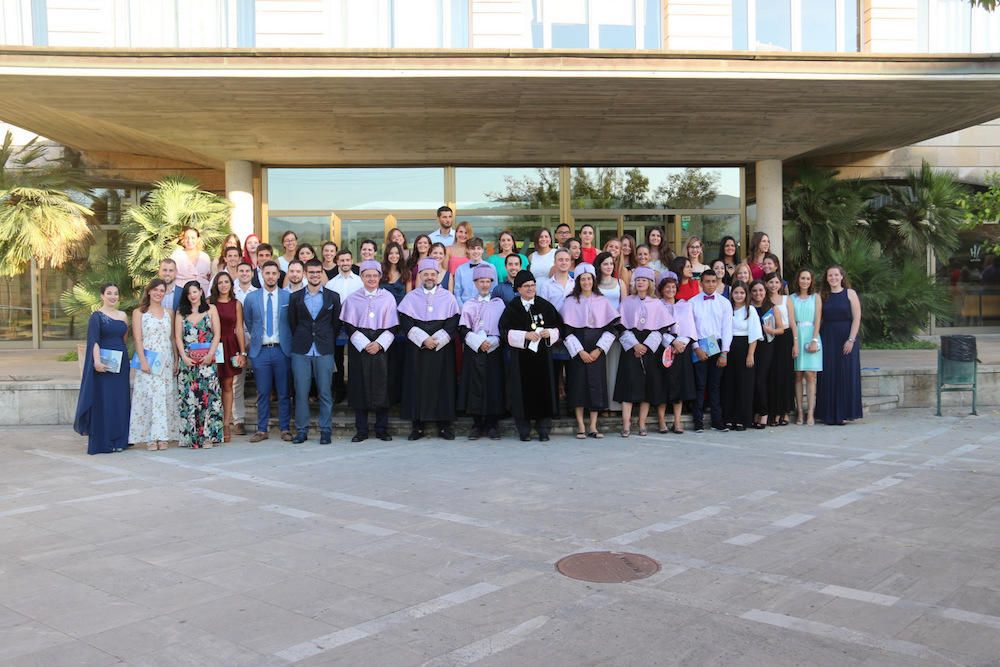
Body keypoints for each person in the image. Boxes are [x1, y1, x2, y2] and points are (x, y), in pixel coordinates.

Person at [397, 259, 461, 440]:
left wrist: (438, 339)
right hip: (418, 349)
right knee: (416, 385)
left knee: (443, 385)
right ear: (420, 276)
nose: (429, 277)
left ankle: (444, 426)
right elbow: (406, 322)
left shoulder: (448, 297)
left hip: (441, 349)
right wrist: (424, 339)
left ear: (437, 275)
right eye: (425, 274)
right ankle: (417, 426)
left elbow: (452, 323)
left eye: (433, 274)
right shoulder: (411, 297)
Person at [500, 270, 563, 442]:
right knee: (521, 392)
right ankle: (524, 429)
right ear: (518, 289)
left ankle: (543, 428)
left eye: (533, 285)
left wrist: (548, 333)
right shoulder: (512, 308)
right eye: (526, 286)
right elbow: (504, 331)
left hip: (543, 357)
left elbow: (559, 327)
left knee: (545, 390)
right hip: (521, 358)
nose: (530, 289)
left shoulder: (545, 305)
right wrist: (525, 336)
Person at [341, 260, 398, 442]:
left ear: (380, 277)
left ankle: (382, 428)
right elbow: (349, 325)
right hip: (360, 348)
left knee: (382, 386)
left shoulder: (388, 297)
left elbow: (393, 326)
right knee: (359, 387)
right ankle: (362, 430)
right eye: (367, 275)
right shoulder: (352, 298)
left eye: (375, 275)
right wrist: (365, 343)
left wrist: (379, 344)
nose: (371, 279)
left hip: (381, 348)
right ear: (362, 277)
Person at [561, 264, 619, 439]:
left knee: (596, 385)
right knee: (578, 385)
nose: (586, 282)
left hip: (596, 348)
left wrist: (599, 350)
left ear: (593, 280)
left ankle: (593, 426)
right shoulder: (570, 301)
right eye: (582, 279)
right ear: (578, 281)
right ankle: (580, 425)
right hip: (578, 348)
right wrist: (580, 351)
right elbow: (566, 331)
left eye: (589, 279)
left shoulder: (602, 300)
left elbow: (612, 328)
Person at [287, 259, 341, 444]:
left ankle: (326, 430)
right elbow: (292, 323)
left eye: (318, 272)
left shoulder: (333, 297)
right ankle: (302, 431)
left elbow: (335, 324)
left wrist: (326, 339)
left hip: (324, 349)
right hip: (301, 349)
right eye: (311, 272)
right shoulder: (295, 297)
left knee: (325, 392)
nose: (315, 275)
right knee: (301, 393)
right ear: (305, 274)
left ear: (322, 273)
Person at [74, 283, 130, 454]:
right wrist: (97, 362)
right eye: (109, 293)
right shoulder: (96, 316)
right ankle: (104, 441)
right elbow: (94, 341)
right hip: (103, 365)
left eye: (115, 293)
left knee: (120, 401)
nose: (113, 296)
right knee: (105, 401)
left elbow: (124, 338)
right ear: (102, 296)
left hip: (120, 364)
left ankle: (120, 440)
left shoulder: (123, 315)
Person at [615, 267, 671, 437]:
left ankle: (642, 424)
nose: (640, 282)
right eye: (638, 280)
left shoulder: (657, 303)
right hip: (631, 345)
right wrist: (634, 345)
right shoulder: (626, 302)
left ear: (650, 283)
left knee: (646, 387)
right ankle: (626, 425)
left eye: (644, 280)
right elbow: (620, 326)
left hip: (649, 346)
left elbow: (662, 328)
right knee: (628, 385)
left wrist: (646, 346)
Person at [242, 261, 293, 442]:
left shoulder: (288, 297)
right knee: (262, 392)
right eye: (267, 273)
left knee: (284, 392)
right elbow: (249, 321)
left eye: (274, 273)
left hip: (282, 350)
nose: (271, 276)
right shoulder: (251, 298)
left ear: (279, 275)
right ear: (262, 274)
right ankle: (262, 430)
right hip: (261, 351)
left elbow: (291, 323)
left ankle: (285, 428)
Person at [457, 264, 506, 440]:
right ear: (475, 283)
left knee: (493, 385)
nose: (484, 285)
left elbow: (504, 327)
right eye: (481, 281)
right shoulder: (469, 304)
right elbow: (463, 329)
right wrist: (478, 342)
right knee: (474, 386)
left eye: (487, 281)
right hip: (474, 349)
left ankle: (493, 424)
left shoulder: (499, 304)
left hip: (493, 350)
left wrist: (492, 342)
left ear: (492, 283)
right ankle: (477, 424)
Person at [128, 279, 178, 451]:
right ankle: (150, 436)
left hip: (166, 360)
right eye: (155, 290)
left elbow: (172, 339)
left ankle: (163, 435)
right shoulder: (139, 312)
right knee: (149, 397)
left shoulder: (169, 312)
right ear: (149, 291)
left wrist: (176, 359)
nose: (158, 293)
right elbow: (138, 338)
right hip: (148, 359)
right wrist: (142, 360)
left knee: (164, 397)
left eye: (162, 290)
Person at [174, 280, 224, 449]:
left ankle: (209, 436)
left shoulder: (211, 309)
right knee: (189, 398)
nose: (192, 296)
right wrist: (183, 358)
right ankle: (191, 437)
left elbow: (217, 334)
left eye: (195, 292)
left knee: (208, 397)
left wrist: (211, 354)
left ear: (201, 292)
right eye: (189, 293)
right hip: (188, 363)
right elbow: (178, 338)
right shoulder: (181, 313)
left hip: (207, 361)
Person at [816, 265, 862, 426]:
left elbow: (857, 318)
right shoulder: (822, 295)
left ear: (842, 276)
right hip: (827, 336)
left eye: (836, 275)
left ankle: (844, 413)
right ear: (826, 278)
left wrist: (851, 339)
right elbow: (818, 319)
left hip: (846, 337)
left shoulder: (850, 294)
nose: (833, 278)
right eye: (830, 275)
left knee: (845, 374)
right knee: (827, 374)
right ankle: (827, 414)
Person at [689, 270, 734, 432]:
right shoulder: (692, 302)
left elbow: (727, 329)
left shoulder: (724, 303)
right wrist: (696, 348)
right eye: (707, 281)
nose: (710, 284)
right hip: (700, 345)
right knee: (700, 385)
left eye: (713, 281)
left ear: (717, 282)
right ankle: (698, 421)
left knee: (715, 386)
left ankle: (717, 421)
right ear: (701, 283)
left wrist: (724, 352)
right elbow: (690, 328)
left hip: (718, 345)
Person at [657, 273, 697, 434]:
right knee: (663, 385)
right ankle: (661, 421)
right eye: (667, 287)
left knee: (679, 385)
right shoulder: (657, 306)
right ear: (661, 289)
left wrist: (681, 343)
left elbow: (690, 327)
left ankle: (677, 421)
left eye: (673, 287)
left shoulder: (684, 305)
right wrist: (671, 343)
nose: (671, 290)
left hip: (682, 348)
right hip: (663, 347)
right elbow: (655, 329)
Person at [209, 271, 246, 443]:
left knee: (228, 384)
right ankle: (212, 423)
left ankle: (226, 423)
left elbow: (239, 329)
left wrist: (242, 352)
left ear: (231, 284)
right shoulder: (210, 303)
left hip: (230, 346)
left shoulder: (236, 304)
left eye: (226, 282)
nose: (223, 285)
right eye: (220, 282)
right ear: (216, 285)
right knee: (212, 383)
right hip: (213, 346)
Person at [721, 281, 762, 431]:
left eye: (742, 293)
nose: (739, 295)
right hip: (729, 348)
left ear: (747, 295)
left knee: (744, 385)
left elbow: (755, 335)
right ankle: (729, 418)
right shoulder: (727, 309)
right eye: (736, 292)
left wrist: (750, 354)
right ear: (731, 294)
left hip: (745, 348)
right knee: (730, 384)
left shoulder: (750, 310)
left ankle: (742, 419)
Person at [326, 249, 363, 403]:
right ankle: (339, 391)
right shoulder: (331, 283)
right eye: (342, 260)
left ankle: (356, 390)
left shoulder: (360, 281)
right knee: (338, 359)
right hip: (337, 325)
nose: (345, 263)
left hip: (357, 324)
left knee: (356, 359)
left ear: (351, 261)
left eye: (348, 260)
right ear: (337, 262)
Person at [596, 251, 627, 412]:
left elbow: (625, 307)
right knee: (601, 369)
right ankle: (601, 405)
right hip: (598, 329)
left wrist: (620, 329)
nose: (609, 266)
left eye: (611, 263)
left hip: (615, 330)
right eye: (605, 264)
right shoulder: (594, 284)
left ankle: (614, 406)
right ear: (599, 266)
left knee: (614, 367)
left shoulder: (620, 283)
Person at [791, 268, 823, 425]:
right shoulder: (791, 298)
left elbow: (818, 319)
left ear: (811, 281)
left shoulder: (815, 297)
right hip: (797, 335)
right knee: (797, 375)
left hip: (812, 334)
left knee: (810, 375)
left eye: (807, 278)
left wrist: (814, 340)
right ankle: (799, 413)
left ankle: (810, 413)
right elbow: (791, 321)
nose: (804, 281)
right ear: (798, 280)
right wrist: (795, 342)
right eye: (802, 278)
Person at [765, 271, 797, 426]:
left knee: (785, 375)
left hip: (785, 338)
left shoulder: (786, 299)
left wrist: (795, 343)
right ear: (766, 284)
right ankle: (773, 412)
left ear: (781, 284)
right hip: (769, 339)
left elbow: (792, 322)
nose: (773, 285)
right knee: (772, 376)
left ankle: (784, 412)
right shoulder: (763, 299)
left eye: (776, 282)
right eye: (770, 282)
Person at [749, 279, 780, 429]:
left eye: (760, 290)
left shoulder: (772, 308)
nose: (758, 293)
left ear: (765, 291)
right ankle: (756, 412)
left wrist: (771, 331)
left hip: (767, 347)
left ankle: (764, 413)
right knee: (753, 380)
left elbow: (781, 329)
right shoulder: (748, 308)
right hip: (751, 347)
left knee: (761, 380)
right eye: (754, 290)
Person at [232, 261, 257, 435]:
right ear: (237, 273)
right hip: (235, 343)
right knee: (236, 383)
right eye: (241, 270)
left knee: (263, 381)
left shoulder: (258, 293)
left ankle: (262, 420)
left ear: (252, 273)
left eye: (247, 270)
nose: (244, 273)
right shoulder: (231, 293)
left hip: (255, 341)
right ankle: (238, 419)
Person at [453, 237, 495, 306]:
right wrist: (462, 309)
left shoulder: (490, 267)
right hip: (465, 307)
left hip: (485, 306)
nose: (476, 251)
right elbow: (457, 292)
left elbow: (493, 290)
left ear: (482, 250)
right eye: (472, 248)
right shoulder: (460, 269)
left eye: (478, 248)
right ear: (468, 250)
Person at [170, 226, 212, 292]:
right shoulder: (176, 255)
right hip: (181, 291)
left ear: (198, 239)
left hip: (202, 292)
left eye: (193, 238)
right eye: (187, 238)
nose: (189, 241)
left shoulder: (205, 257)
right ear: (183, 239)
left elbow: (209, 276)